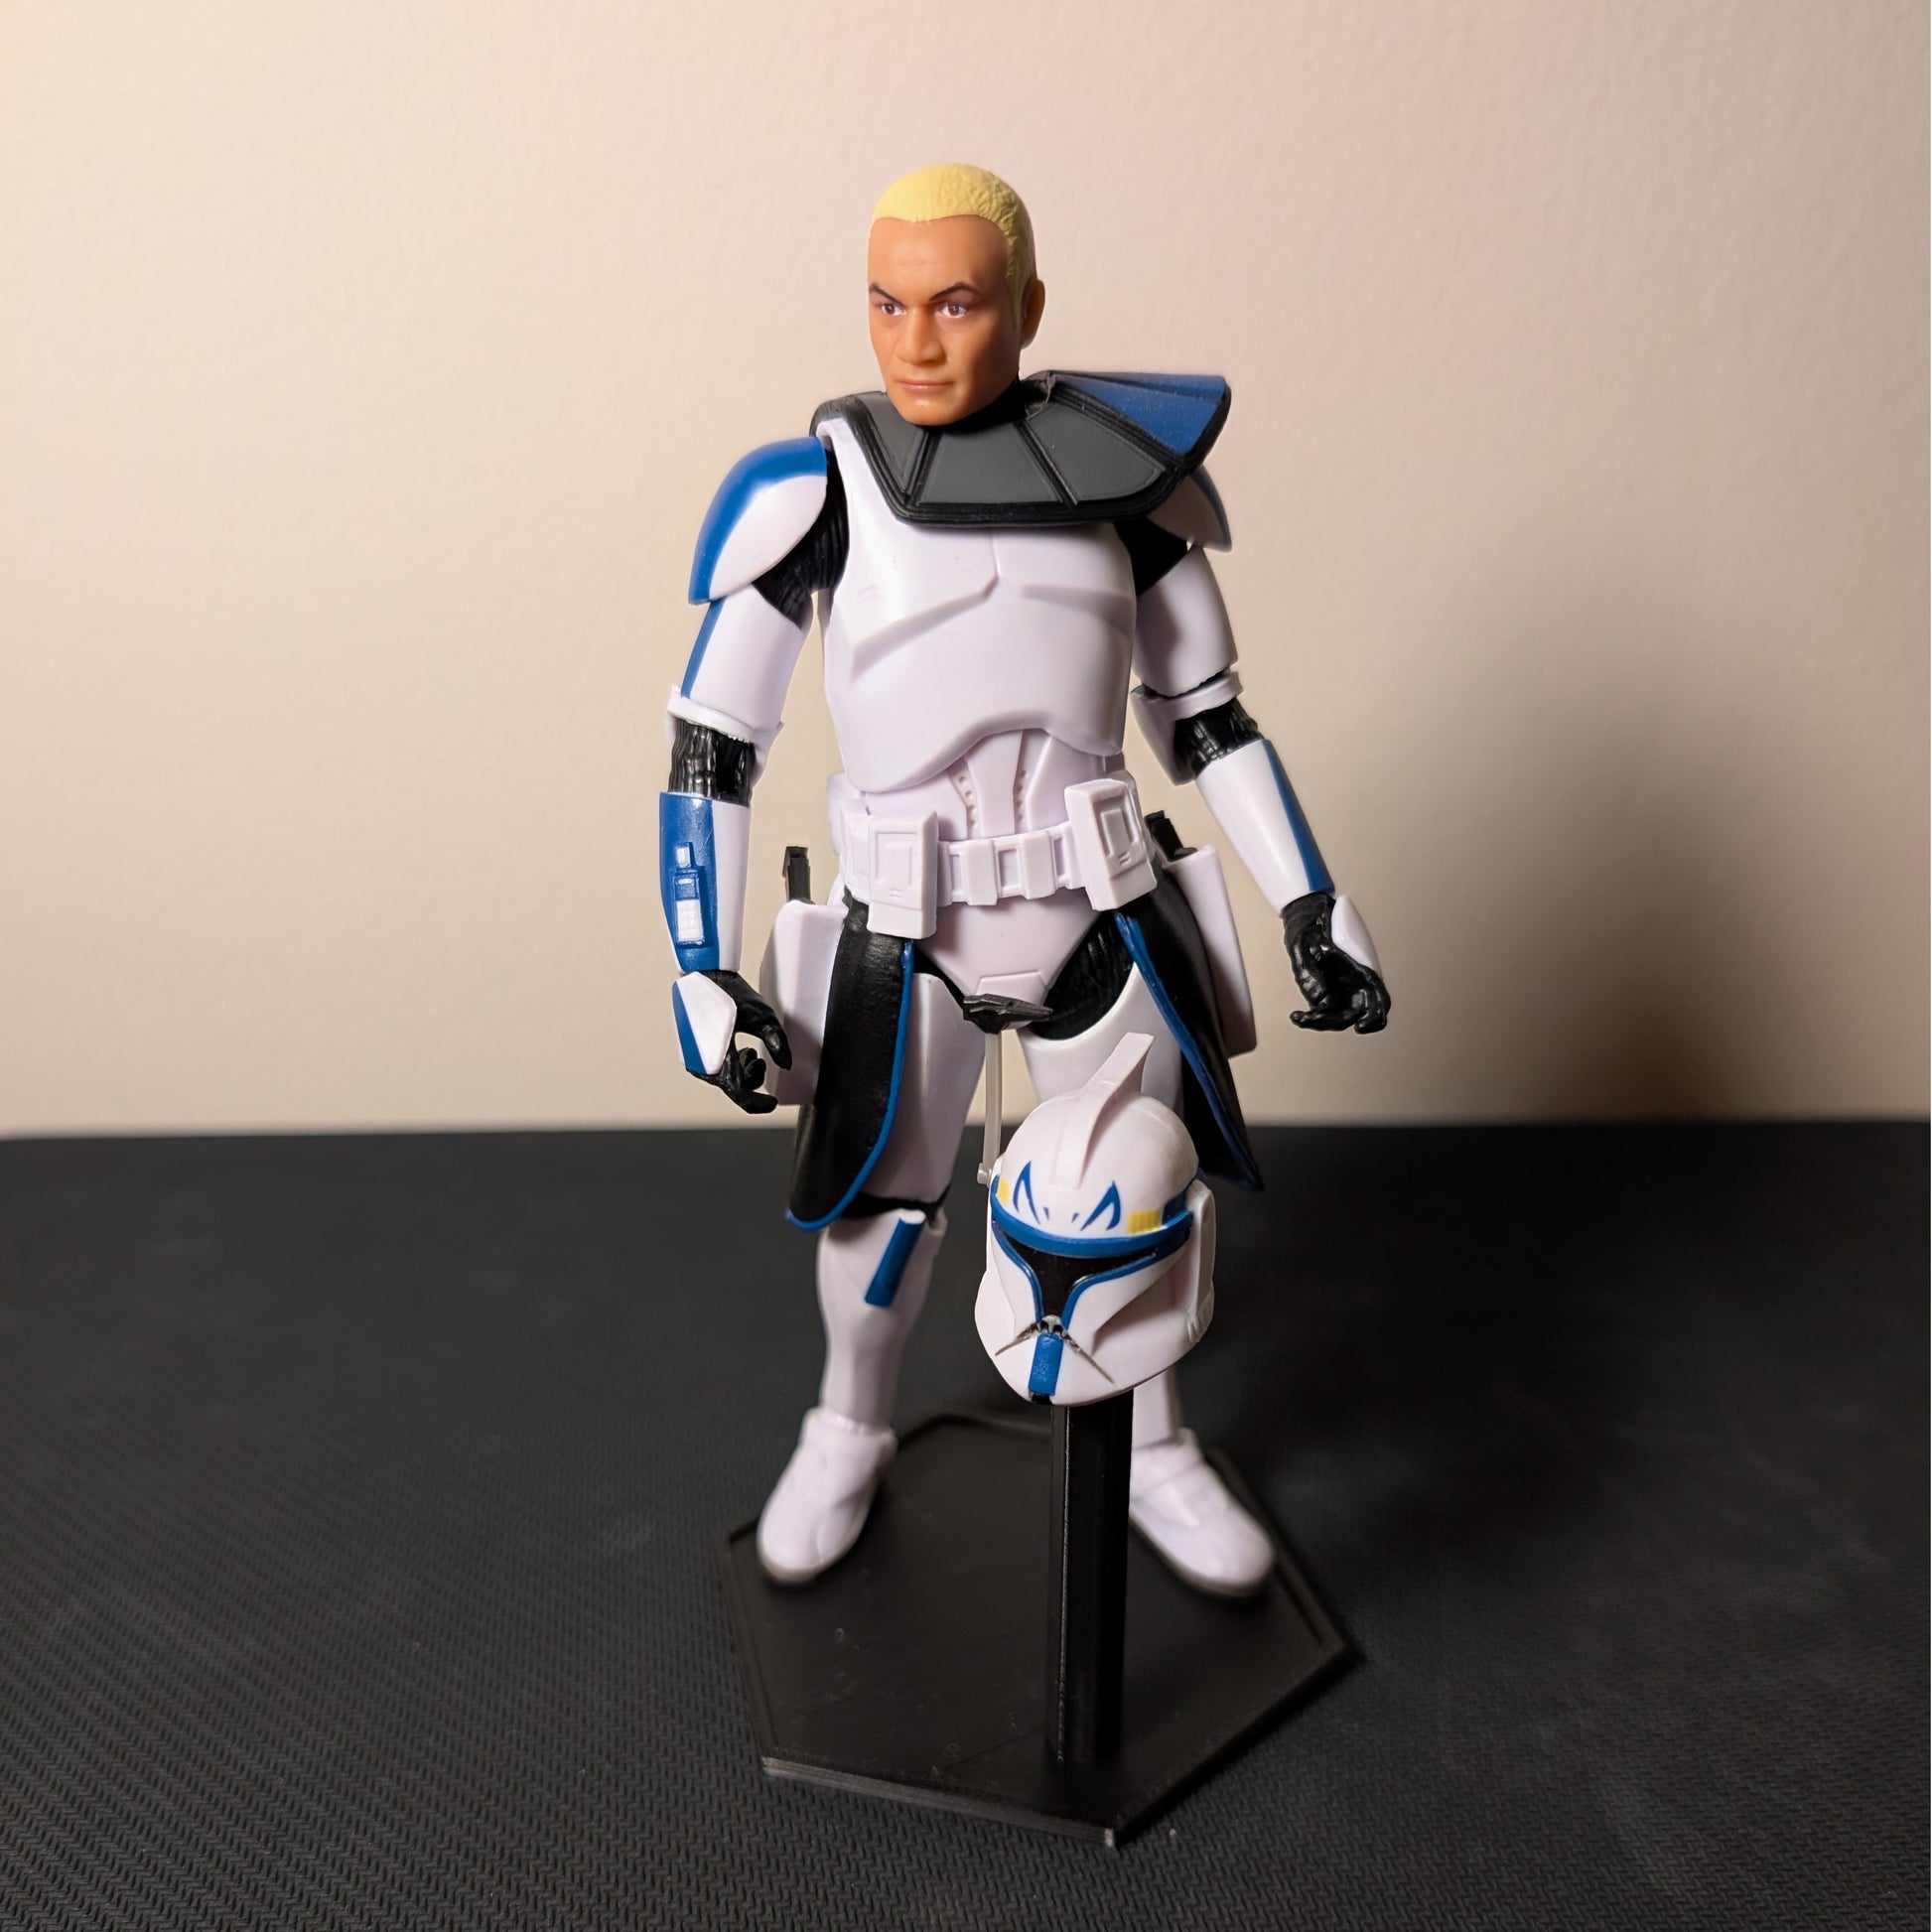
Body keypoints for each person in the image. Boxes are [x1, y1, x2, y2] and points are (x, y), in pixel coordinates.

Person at [659, 163, 1389, 1595]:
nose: (915, 342)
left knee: (1132, 1191)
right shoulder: (812, 494)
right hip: (905, 926)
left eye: (953, 305)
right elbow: (710, 749)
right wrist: (700, 962)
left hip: (1092, 910)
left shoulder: (1127, 483)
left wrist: (1311, 899)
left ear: (1026, 307)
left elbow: (1210, 722)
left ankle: (1153, 1442)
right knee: (882, 1222)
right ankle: (846, 1424)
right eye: (886, 305)